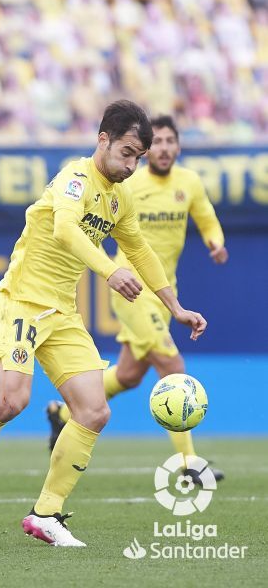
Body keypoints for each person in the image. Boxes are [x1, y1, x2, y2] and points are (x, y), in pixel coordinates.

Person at [0, 101, 207, 547]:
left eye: (138, 159)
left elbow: (141, 251)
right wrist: (110, 273)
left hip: (62, 315)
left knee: (94, 411)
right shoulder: (74, 179)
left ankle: (46, 514)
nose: (132, 166)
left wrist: (175, 305)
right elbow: (66, 233)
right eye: (127, 153)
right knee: (11, 402)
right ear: (103, 140)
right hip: (21, 304)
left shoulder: (119, 197)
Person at [45, 115, 227, 479]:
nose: (162, 149)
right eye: (155, 142)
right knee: (172, 368)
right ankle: (189, 465)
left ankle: (60, 414)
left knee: (128, 376)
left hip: (163, 288)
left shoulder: (188, 182)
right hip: (133, 291)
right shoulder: (130, 181)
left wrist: (215, 240)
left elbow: (206, 217)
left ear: (178, 146)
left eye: (168, 141)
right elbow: (130, 243)